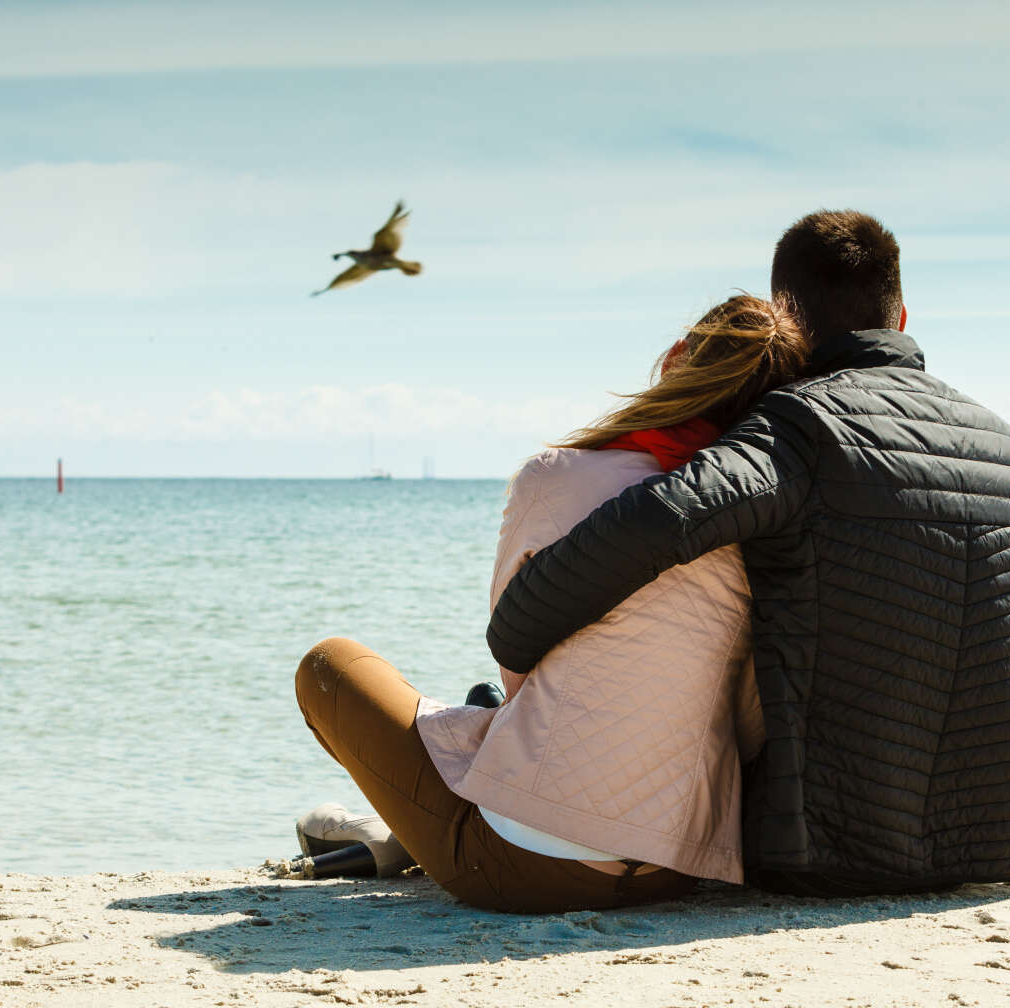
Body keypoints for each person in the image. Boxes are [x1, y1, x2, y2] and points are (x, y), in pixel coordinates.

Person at [487, 210, 1010, 896]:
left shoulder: (799, 427)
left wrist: (517, 630)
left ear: (786, 319)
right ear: (900, 316)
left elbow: (660, 518)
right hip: (1008, 839)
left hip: (831, 852)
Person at [296, 293, 808, 912]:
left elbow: (520, 667)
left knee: (330, 667)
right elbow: (750, 713)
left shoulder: (555, 476)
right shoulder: (766, 520)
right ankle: (399, 834)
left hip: (522, 866)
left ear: (676, 359)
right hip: (676, 863)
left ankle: (397, 834)